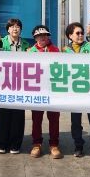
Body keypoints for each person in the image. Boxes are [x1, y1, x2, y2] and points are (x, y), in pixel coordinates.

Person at [63, 22, 90, 160]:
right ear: (70, 36)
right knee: (76, 120)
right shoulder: (64, 50)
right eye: (77, 33)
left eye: (82, 33)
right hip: (74, 91)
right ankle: (78, 145)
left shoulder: (89, 45)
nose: (80, 35)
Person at [0, 18, 29, 154]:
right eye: (12, 26)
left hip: (20, 84)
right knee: (2, 115)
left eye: (18, 26)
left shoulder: (26, 44)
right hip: (3, 84)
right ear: (8, 29)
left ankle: (15, 144)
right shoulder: (1, 42)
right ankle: (1, 143)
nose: (15, 29)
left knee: (18, 115)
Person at [28, 25, 63, 159]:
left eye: (44, 35)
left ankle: (54, 144)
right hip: (37, 90)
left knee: (54, 118)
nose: (42, 38)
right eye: (39, 36)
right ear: (35, 38)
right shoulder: (30, 52)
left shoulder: (55, 50)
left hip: (52, 89)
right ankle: (36, 144)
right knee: (36, 118)